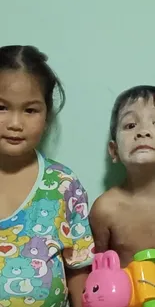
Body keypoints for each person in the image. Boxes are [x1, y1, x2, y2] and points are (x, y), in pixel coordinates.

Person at [0, 45, 94, 307]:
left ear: (47, 115)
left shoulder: (63, 184)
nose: (15, 123)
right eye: (1, 107)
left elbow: (79, 268)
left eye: (30, 110)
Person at [90, 85, 155, 268]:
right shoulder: (106, 209)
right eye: (130, 125)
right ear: (114, 150)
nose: (143, 132)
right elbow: (97, 271)